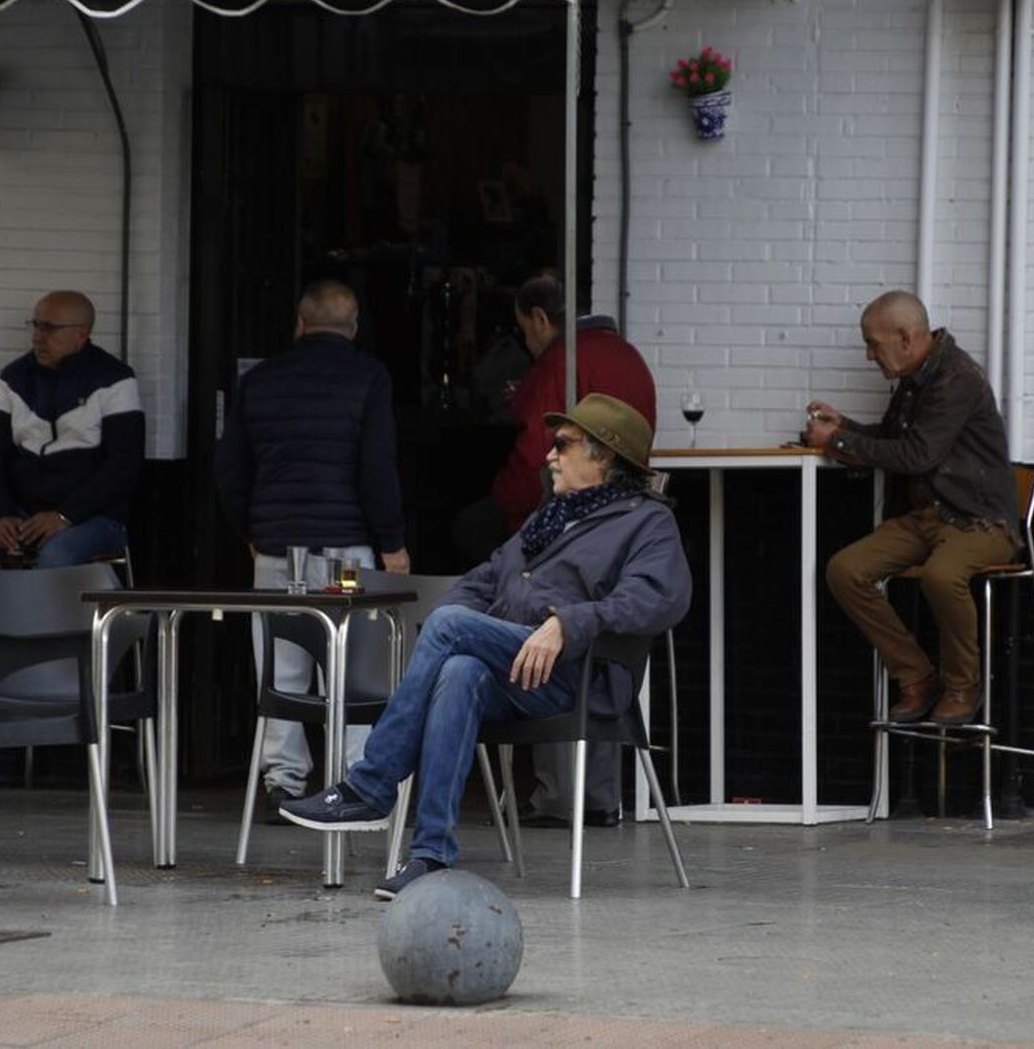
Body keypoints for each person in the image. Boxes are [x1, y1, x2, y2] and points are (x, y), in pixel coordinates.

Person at [280, 393, 691, 900]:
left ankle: (370, 785)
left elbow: (661, 599)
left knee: (451, 627)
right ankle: (431, 855)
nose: (549, 455)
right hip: (514, 666)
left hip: (579, 674)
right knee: (457, 671)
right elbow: (484, 580)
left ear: (604, 456)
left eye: (563, 444)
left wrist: (569, 622)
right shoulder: (551, 516)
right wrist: (455, 630)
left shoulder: (648, 521)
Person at [452, 273, 660, 831]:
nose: (554, 453)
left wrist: (506, 515)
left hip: (563, 542)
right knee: (568, 639)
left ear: (541, 320)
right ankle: (595, 796)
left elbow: (528, 458)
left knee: (522, 624)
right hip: (604, 584)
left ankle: (555, 797)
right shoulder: (631, 358)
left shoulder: (561, 362)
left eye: (525, 331)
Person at [214, 279, 410, 820]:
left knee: (281, 671)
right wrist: (391, 543)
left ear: (300, 325)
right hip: (348, 551)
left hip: (277, 549)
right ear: (354, 329)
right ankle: (354, 783)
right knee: (353, 671)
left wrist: (251, 532)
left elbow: (230, 470)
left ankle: (283, 781)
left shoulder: (261, 381)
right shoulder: (369, 377)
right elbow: (376, 468)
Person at [806, 290, 1020, 727]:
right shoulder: (916, 376)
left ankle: (963, 686)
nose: (869, 355)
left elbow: (918, 455)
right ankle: (917, 678)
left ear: (905, 337)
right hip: (929, 517)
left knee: (943, 577)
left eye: (873, 343)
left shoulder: (956, 378)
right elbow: (892, 440)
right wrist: (843, 427)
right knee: (845, 570)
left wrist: (838, 442)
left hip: (980, 522)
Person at [0, 290, 143, 570]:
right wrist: (0, 515)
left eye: (50, 328)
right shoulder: (14, 377)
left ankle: (50, 616)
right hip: (22, 515)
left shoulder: (115, 379)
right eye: (35, 325)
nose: (37, 337)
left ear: (80, 334)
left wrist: (65, 516)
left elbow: (124, 463)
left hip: (94, 518)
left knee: (56, 556)